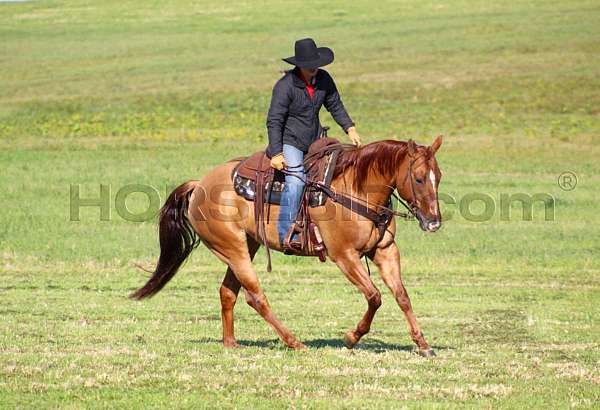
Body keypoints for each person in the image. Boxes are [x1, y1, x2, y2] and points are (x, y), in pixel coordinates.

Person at [266, 38, 361, 249]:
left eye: (315, 65)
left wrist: (349, 127)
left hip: (316, 140)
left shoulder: (323, 79)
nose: (314, 70)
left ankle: (327, 228)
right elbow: (274, 120)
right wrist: (276, 153)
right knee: (297, 180)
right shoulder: (285, 87)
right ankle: (286, 233)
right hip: (290, 142)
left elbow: (335, 104)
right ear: (299, 65)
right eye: (309, 67)